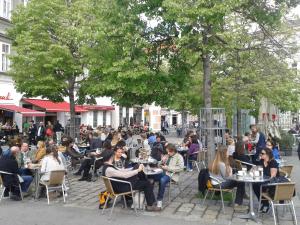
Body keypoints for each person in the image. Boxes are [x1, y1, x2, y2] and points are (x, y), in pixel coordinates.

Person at [209, 145, 247, 211]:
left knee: (240, 182)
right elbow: (228, 178)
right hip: (219, 184)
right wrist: (231, 170)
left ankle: (241, 196)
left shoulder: (215, 161)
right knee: (241, 182)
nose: (228, 153)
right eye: (227, 152)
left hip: (214, 182)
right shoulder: (221, 164)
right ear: (224, 153)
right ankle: (237, 204)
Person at [153, 143, 184, 208]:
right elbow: (159, 165)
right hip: (162, 172)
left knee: (162, 180)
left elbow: (181, 168)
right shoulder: (167, 156)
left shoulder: (179, 157)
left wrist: (168, 168)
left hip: (171, 175)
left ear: (174, 150)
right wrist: (161, 162)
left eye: (170, 152)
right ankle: (151, 198)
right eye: (167, 152)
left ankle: (159, 200)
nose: (168, 153)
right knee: (151, 177)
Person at [253, 147, 279, 213]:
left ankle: (265, 203)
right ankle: (264, 203)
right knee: (255, 185)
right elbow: (255, 170)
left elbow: (273, 176)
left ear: (268, 155)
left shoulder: (273, 162)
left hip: (272, 183)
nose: (260, 154)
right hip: (263, 180)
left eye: (262, 153)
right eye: (260, 153)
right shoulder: (261, 161)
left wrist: (264, 179)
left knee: (259, 185)